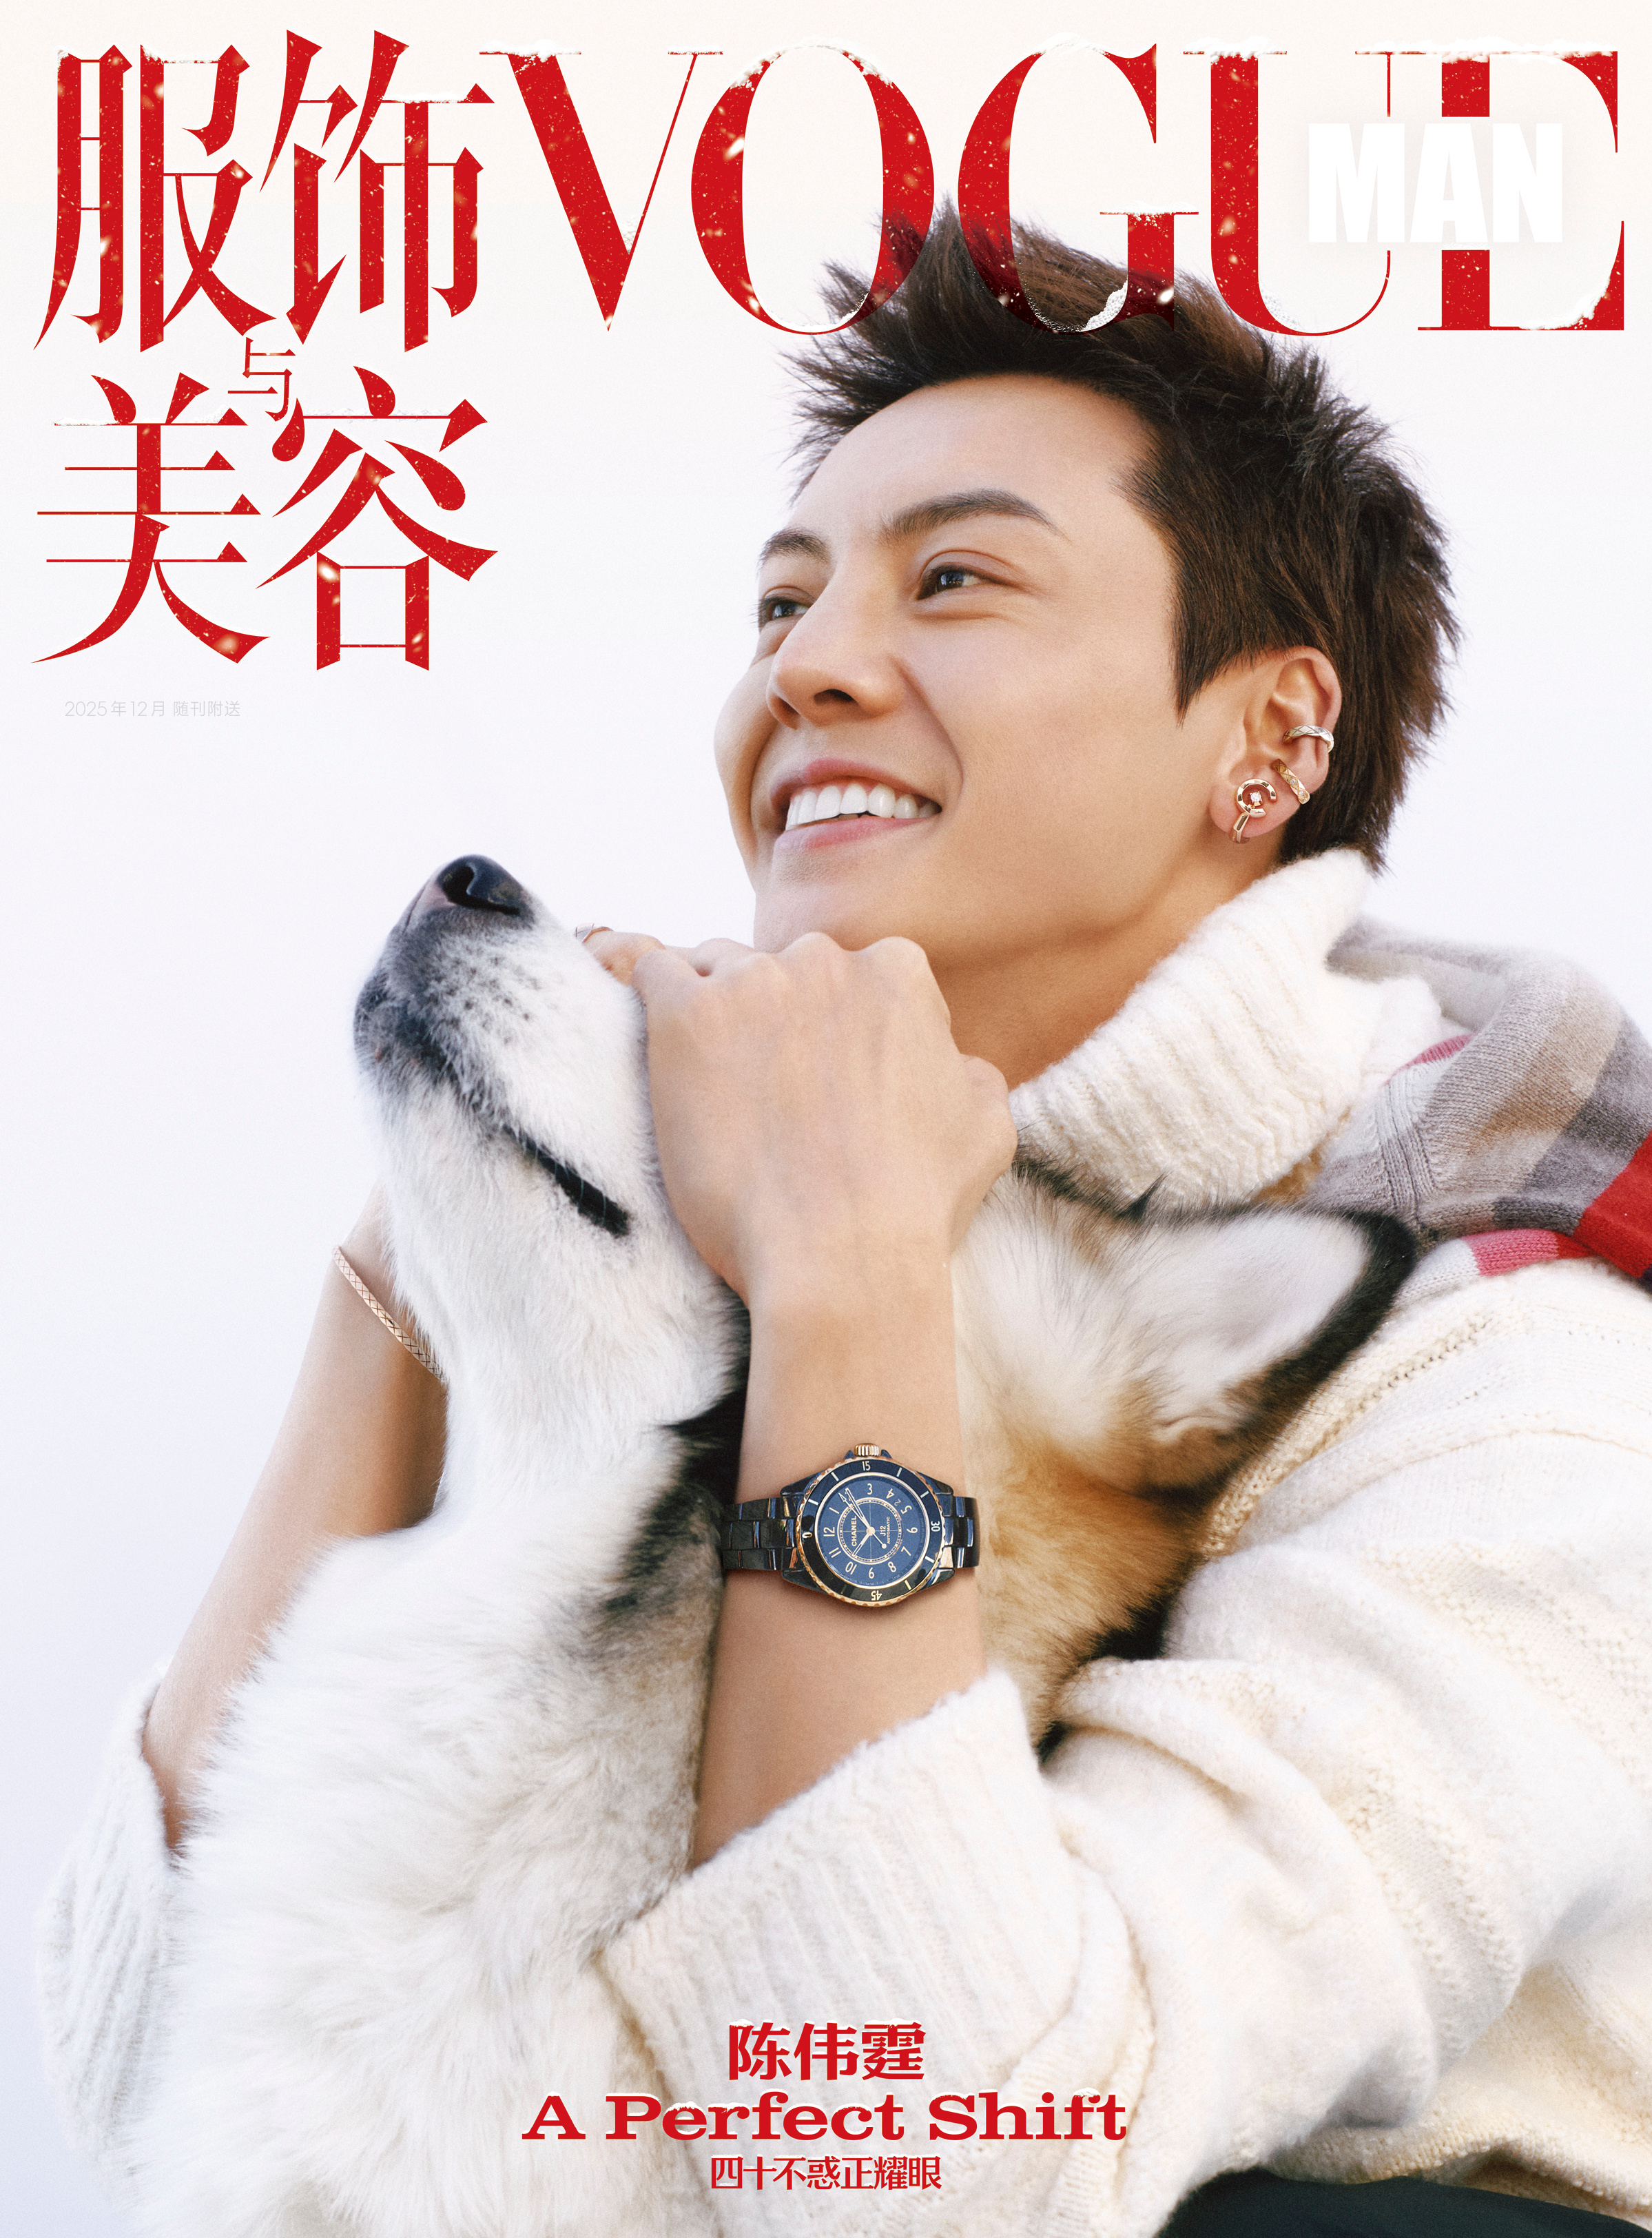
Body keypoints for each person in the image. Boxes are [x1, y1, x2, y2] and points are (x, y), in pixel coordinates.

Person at [39, 213, 1652, 2236]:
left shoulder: (1537, 1405)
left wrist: (853, 1275)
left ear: (1270, 739)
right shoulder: (712, 1196)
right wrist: (420, 1258)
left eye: (954, 578)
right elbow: (163, 2068)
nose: (804, 667)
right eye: (783, 601)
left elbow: (931, 2166)